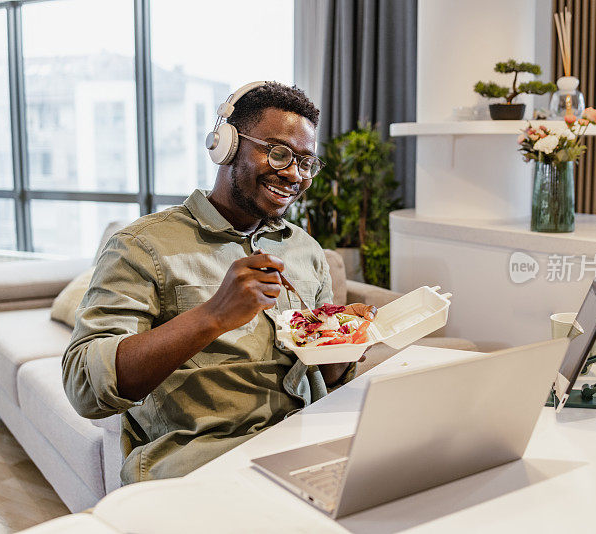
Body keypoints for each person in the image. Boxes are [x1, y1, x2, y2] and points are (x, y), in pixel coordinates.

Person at [62, 81, 376, 485]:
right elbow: (84, 387)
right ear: (225, 145)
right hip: (200, 466)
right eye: (278, 153)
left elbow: (323, 379)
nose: (294, 175)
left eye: (305, 162)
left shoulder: (306, 251)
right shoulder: (143, 246)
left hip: (304, 448)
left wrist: (342, 344)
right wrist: (213, 315)